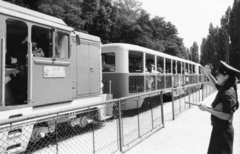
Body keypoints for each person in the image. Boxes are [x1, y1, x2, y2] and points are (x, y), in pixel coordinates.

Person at [198, 61, 239, 154]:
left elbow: (227, 115)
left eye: (219, 75)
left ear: (226, 76)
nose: (216, 76)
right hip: (219, 130)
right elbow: (215, 83)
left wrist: (206, 109)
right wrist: (208, 74)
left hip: (223, 133)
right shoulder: (226, 87)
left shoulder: (228, 93)